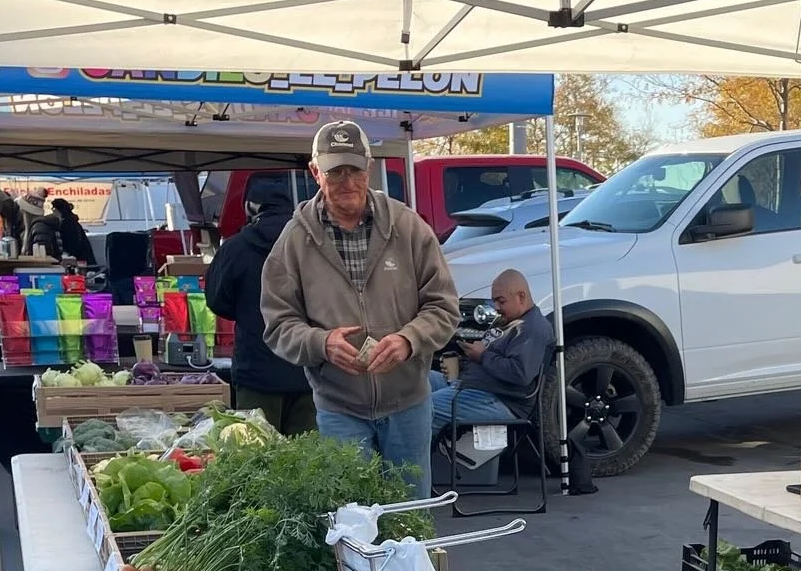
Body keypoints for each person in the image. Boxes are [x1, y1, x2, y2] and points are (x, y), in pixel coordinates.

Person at [261, 120, 458, 498]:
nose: (347, 180)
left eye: (354, 168)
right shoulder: (295, 240)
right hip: (339, 409)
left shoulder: (408, 227)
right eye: (335, 171)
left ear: (369, 166)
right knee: (351, 523)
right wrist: (321, 343)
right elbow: (277, 323)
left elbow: (444, 306)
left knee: (410, 518)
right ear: (316, 172)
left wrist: (408, 339)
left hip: (408, 404)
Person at [203, 177, 316, 435]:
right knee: (308, 463)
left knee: (256, 460)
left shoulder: (235, 248)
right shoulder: (313, 246)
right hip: (307, 372)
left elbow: (216, 300)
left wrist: (247, 311)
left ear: (251, 207)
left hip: (256, 373)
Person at [430, 268, 553, 439]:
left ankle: (412, 464)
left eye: (501, 301)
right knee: (416, 383)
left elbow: (520, 374)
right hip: (472, 385)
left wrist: (482, 356)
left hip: (502, 400)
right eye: (494, 301)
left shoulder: (531, 329)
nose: (496, 307)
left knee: (424, 409)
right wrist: (462, 363)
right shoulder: (507, 320)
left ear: (521, 296)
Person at [49, 197, 96, 265]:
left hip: (77, 262)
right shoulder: (73, 221)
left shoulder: (67, 225)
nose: (52, 211)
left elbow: (72, 246)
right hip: (83, 260)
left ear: (58, 210)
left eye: (53, 209)